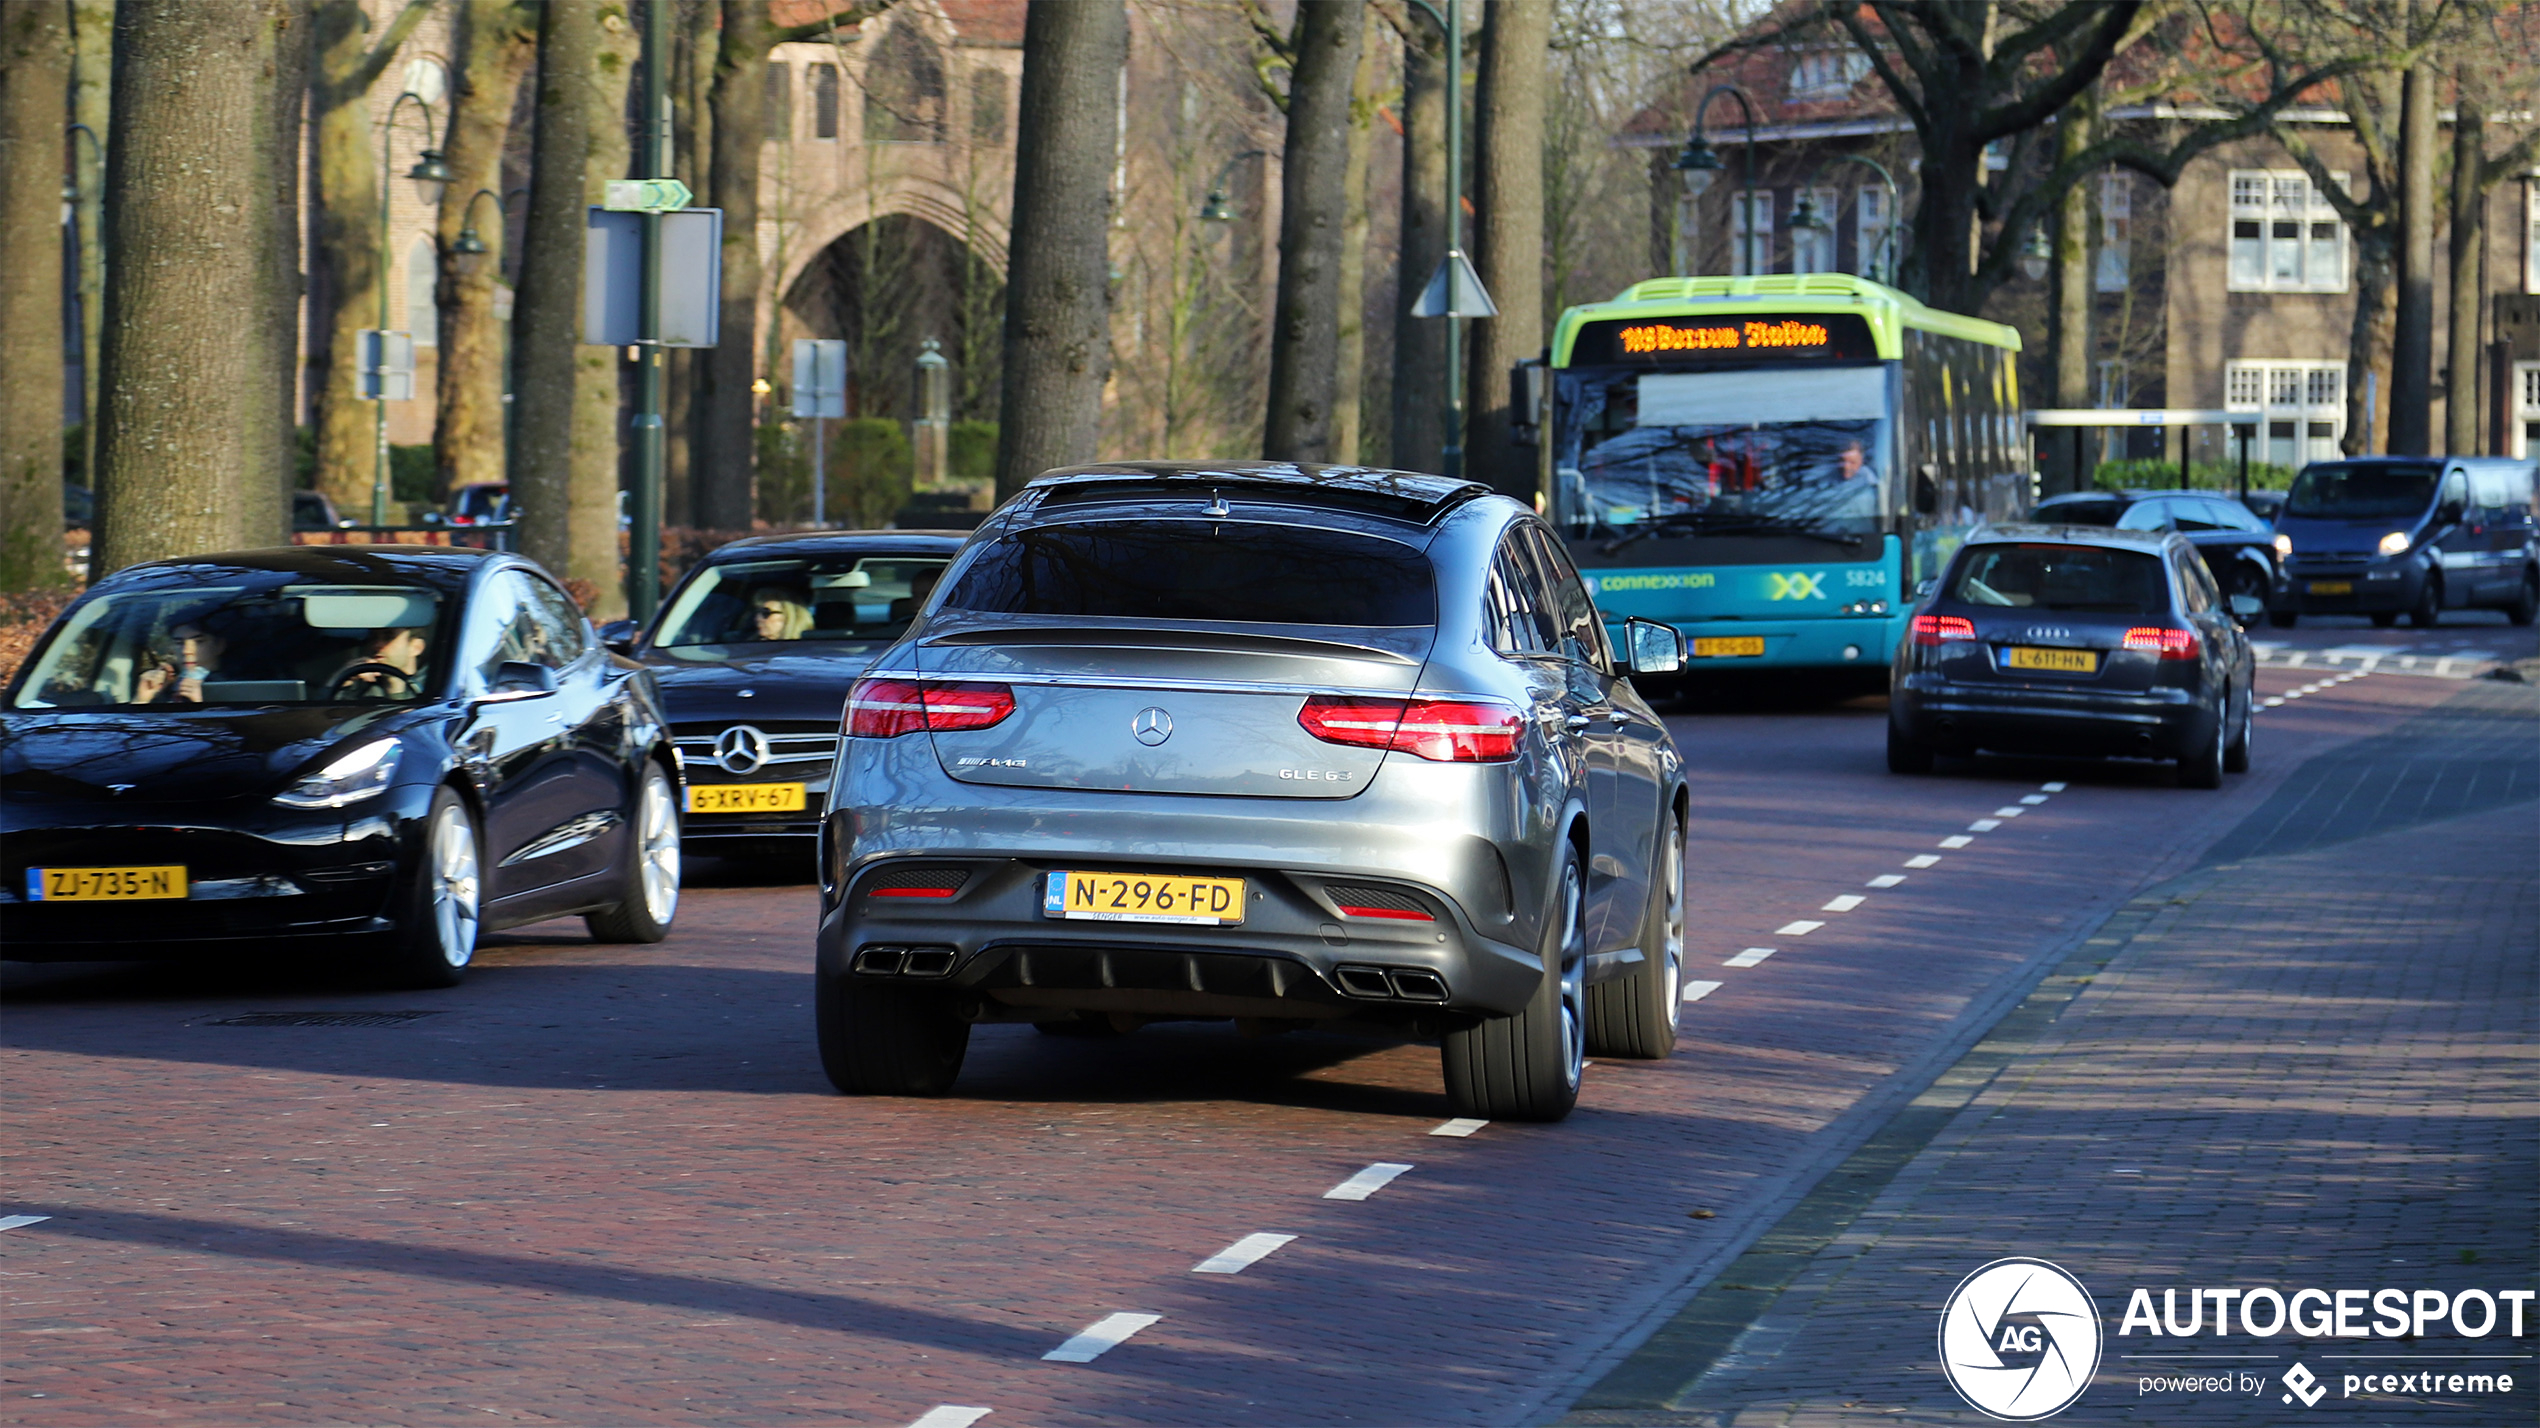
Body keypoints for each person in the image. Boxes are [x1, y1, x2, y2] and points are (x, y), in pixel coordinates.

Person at [133, 622, 224, 704]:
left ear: (219, 645)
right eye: (179, 643)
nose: (186, 651)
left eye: (198, 642)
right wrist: (142, 699)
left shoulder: (233, 686)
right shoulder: (165, 687)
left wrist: (198, 704)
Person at [335, 624, 430, 697]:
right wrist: (339, 681)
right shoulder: (358, 689)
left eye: (388, 637)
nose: (376, 645)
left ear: (416, 647)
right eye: (373, 638)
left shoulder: (436, 689)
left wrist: (396, 686)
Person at [746, 586, 813, 641]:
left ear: (789, 617)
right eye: (757, 612)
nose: (757, 618)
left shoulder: (805, 650)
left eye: (765, 613)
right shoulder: (747, 646)